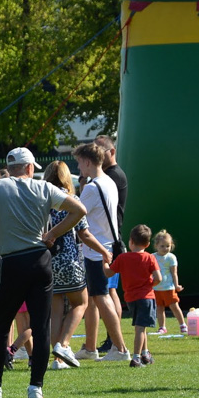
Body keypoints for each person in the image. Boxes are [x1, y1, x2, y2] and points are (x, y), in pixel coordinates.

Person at [0, 147, 87, 398]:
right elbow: (79, 210)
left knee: (1, 325)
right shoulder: (45, 188)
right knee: (41, 327)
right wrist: (53, 233)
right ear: (31, 168)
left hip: (12, 262)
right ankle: (36, 388)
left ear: (9, 168)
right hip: (40, 261)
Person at [43, 160, 110, 370]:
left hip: (47, 261)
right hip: (69, 261)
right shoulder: (71, 200)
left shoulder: (43, 201)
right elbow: (85, 234)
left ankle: (57, 360)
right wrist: (104, 251)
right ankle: (63, 345)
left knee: (55, 310)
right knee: (81, 303)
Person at [72, 143, 131, 362]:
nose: (78, 167)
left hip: (96, 250)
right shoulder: (108, 181)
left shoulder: (92, 187)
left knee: (101, 296)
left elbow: (76, 213)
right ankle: (90, 347)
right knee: (96, 298)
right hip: (108, 247)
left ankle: (121, 348)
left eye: (79, 162)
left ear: (87, 162)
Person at [105, 225, 162, 368]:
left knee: (142, 326)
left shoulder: (122, 258)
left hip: (130, 298)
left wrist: (104, 261)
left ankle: (145, 353)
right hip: (146, 297)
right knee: (141, 328)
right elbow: (158, 278)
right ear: (148, 244)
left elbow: (108, 273)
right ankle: (136, 357)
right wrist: (151, 284)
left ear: (130, 241)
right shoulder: (149, 258)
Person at [91, 135, 127, 353]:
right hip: (109, 241)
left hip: (108, 242)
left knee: (108, 292)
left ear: (111, 152)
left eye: (99, 152)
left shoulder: (113, 177)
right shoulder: (110, 176)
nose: (95, 157)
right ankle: (113, 339)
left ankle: (115, 340)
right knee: (108, 292)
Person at [151, 230, 187, 335]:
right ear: (156, 246)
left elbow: (174, 273)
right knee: (159, 308)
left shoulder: (171, 257)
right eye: (162, 246)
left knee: (174, 306)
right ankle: (162, 327)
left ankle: (183, 325)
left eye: (168, 246)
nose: (165, 248)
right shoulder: (152, 257)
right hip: (156, 288)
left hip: (169, 288)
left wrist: (176, 285)